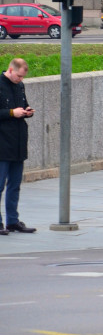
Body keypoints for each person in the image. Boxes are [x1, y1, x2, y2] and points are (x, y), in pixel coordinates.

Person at [0, 58, 37, 235]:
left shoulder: (19, 86)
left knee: (15, 185)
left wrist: (26, 111)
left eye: (22, 77)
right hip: (2, 143)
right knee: (0, 185)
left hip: (18, 143)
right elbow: (9, 111)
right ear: (10, 70)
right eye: (18, 76)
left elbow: (21, 106)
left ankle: (12, 221)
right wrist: (11, 113)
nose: (20, 80)